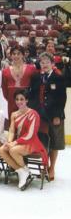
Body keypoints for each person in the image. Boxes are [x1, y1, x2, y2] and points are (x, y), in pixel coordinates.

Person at [0, 89, 48, 190]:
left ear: (27, 100)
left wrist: (14, 143)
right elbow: (12, 130)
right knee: (2, 150)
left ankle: (24, 172)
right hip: (18, 142)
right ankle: (22, 171)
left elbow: (30, 134)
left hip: (31, 142)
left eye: (22, 99)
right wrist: (9, 142)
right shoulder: (14, 114)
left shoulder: (33, 114)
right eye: (17, 99)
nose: (19, 102)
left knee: (13, 150)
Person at [29, 52, 66, 181]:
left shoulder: (58, 77)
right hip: (39, 116)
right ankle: (44, 166)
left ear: (52, 64)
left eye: (46, 62)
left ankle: (52, 168)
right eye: (42, 62)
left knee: (55, 143)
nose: (44, 64)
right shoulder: (35, 77)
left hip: (54, 116)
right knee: (43, 142)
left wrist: (57, 115)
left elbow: (62, 99)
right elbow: (32, 95)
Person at [2, 45, 36, 122]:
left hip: (27, 102)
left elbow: (35, 87)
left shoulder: (31, 69)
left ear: (23, 55)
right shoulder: (5, 72)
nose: (16, 56)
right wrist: (12, 99)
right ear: (10, 55)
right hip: (12, 102)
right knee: (13, 124)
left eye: (19, 53)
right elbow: (4, 90)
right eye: (14, 54)